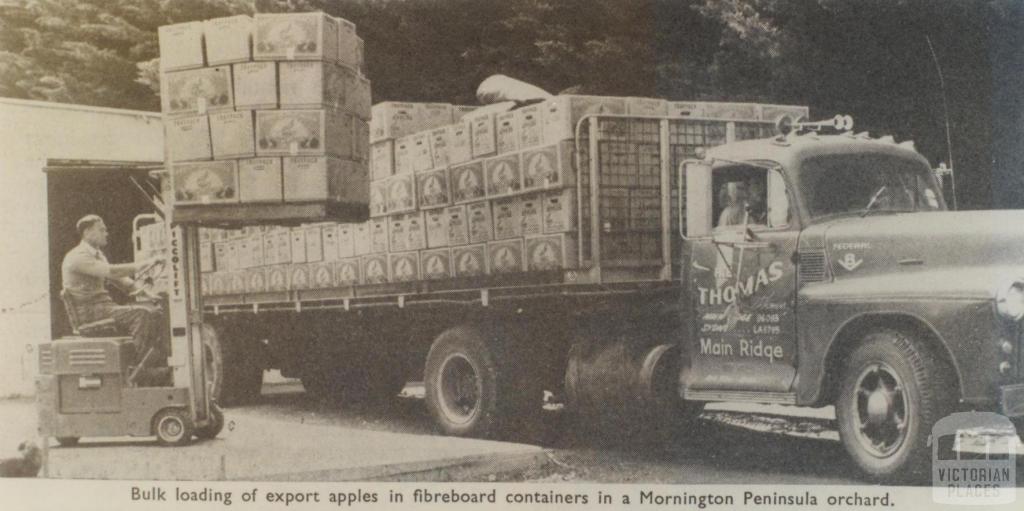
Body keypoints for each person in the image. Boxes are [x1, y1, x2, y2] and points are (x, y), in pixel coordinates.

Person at [61, 215, 167, 366]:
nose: (106, 233)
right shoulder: (77, 257)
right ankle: (140, 369)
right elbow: (113, 272)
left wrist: (148, 294)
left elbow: (122, 282)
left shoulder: (97, 255)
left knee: (155, 311)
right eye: (102, 230)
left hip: (103, 308)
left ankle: (155, 363)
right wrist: (147, 263)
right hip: (92, 312)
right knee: (142, 314)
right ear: (87, 233)